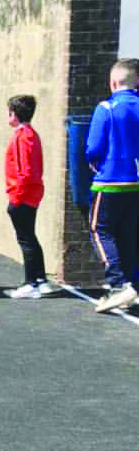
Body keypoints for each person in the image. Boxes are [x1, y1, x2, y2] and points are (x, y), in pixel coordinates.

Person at [86, 58, 139, 313]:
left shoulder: (106, 108)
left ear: (113, 81)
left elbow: (93, 148)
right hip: (136, 183)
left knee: (100, 230)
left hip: (111, 180)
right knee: (128, 235)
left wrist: (94, 164)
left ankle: (118, 285)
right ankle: (133, 284)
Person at [3, 94, 59, 300]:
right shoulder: (31, 134)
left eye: (8, 112)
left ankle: (30, 283)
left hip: (23, 194)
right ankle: (41, 280)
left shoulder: (21, 136)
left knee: (25, 239)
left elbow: (24, 172)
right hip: (31, 193)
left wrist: (15, 199)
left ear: (14, 115)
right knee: (31, 238)